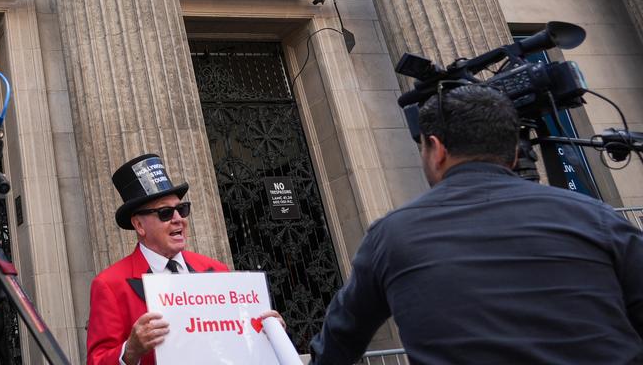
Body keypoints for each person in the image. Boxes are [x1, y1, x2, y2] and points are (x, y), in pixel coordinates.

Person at [310, 84, 643, 365]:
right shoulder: (598, 217)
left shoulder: (390, 235)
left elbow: (337, 345)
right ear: (514, 152)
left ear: (436, 149)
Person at [87, 153, 281, 365]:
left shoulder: (216, 270)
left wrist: (270, 334)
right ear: (139, 226)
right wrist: (130, 351)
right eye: (165, 213)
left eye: (182, 209)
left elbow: (239, 342)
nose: (178, 219)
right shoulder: (110, 285)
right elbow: (96, 361)